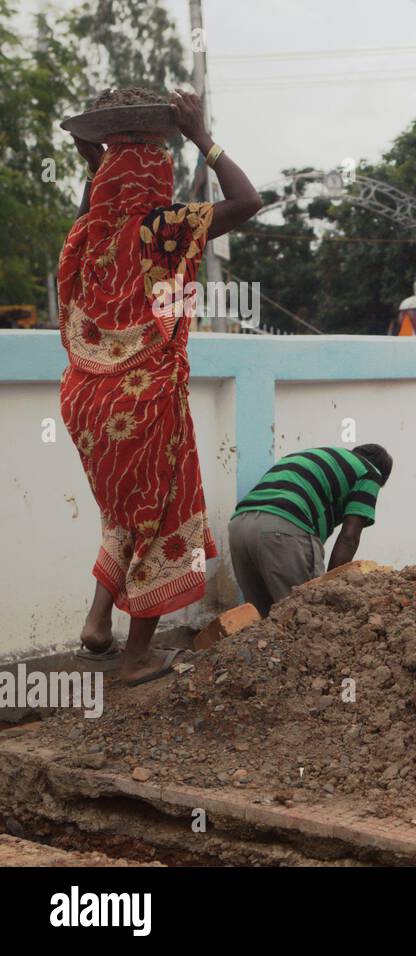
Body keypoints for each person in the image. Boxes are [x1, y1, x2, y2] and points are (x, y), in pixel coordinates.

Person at [62, 88, 262, 684]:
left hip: (84, 402)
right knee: (159, 516)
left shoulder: (86, 237)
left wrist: (92, 162)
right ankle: (137, 655)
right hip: (143, 398)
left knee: (123, 516)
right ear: (158, 172)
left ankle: (99, 625)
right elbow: (248, 200)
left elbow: (101, 202)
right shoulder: (163, 230)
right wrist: (204, 137)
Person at [228, 445, 393, 616]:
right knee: (312, 615)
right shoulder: (370, 472)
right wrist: (333, 587)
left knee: (263, 622)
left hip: (239, 527)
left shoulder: (321, 458)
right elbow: (349, 537)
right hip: (283, 527)